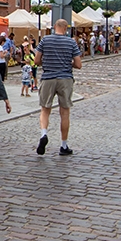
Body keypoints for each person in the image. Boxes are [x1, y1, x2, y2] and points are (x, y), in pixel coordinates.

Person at [35, 19, 82, 156]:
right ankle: (64, 145)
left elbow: (37, 61)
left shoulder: (45, 40)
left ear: (54, 27)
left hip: (48, 77)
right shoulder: (71, 42)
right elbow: (78, 64)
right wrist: (68, 63)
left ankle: (44, 134)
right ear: (66, 28)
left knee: (45, 109)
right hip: (65, 78)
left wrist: (48, 61)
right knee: (65, 112)